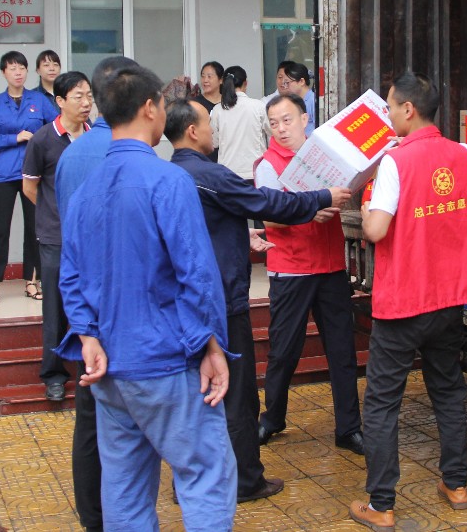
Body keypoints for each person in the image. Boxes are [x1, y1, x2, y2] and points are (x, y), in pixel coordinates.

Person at [56, 65, 236, 531]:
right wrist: (211, 345)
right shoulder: (167, 181)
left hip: (112, 368)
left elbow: (69, 275)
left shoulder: (87, 189)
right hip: (167, 360)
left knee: (125, 489)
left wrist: (87, 336)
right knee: (205, 473)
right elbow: (197, 274)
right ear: (150, 108)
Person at [167, 98, 351, 504]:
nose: (214, 130)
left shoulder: (168, 174)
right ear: (193, 131)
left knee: (194, 394)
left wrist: (239, 234)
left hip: (185, 300)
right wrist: (322, 197)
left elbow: (200, 227)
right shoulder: (211, 174)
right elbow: (269, 203)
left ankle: (190, 482)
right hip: (220, 300)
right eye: (209, 123)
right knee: (237, 393)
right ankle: (246, 480)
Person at [349, 72, 467, 530]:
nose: (389, 116)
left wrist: (365, 207)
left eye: (391, 107)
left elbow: (376, 230)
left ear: (408, 110)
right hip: (450, 298)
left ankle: (381, 503)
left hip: (405, 300)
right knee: (447, 390)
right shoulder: (464, 154)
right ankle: (457, 484)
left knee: (382, 403)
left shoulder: (395, 162)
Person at [52, 55, 137, 532]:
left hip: (85, 301)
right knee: (135, 419)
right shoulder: (134, 156)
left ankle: (94, 516)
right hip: (128, 307)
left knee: (90, 416)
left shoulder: (72, 154)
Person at [254, 93, 363, 455]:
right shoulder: (268, 164)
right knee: (284, 350)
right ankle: (273, 418)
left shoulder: (324, 158)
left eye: (287, 120)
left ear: (305, 119)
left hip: (330, 266)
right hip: (291, 269)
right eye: (274, 123)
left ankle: (349, 428)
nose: (281, 129)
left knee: (342, 350)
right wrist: (309, 209)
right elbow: (269, 218)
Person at [22, 70, 93, 403]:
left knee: (90, 302)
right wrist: (57, 211)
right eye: (78, 96)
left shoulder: (96, 138)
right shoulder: (42, 140)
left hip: (91, 237)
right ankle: (53, 375)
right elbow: (30, 187)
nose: (86, 102)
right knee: (55, 307)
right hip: (55, 237)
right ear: (60, 101)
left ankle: (88, 368)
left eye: (89, 95)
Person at [0, 50, 58, 304]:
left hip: (33, 174)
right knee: (0, 228)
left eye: (21, 68)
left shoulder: (39, 100)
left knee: (34, 228)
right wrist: (15, 138)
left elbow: (55, 128)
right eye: (12, 68)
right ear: (4, 73)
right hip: (4, 174)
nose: (18, 72)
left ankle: (32, 281)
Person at [208, 65, 268, 181]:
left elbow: (213, 142)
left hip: (227, 173)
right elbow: (272, 132)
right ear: (245, 83)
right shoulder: (259, 106)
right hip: (255, 172)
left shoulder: (218, 110)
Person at [280, 61, 316, 136]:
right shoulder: (294, 101)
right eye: (284, 83)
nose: (285, 87)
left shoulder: (313, 100)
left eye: (287, 83)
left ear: (301, 81)